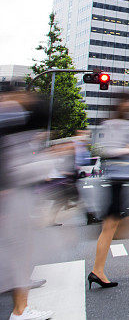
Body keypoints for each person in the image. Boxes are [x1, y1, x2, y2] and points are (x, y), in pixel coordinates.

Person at [0, 90, 55, 320]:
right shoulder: (8, 113)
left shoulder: (11, 114)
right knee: (18, 251)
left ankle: (21, 308)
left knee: (18, 251)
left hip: (13, 192)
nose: (25, 97)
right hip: (11, 193)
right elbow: (11, 162)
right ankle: (20, 311)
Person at [88, 92, 129, 290]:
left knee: (112, 227)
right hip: (116, 180)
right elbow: (106, 150)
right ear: (121, 104)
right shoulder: (113, 124)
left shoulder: (127, 125)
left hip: (123, 180)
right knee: (112, 227)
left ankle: (98, 270)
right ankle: (97, 270)